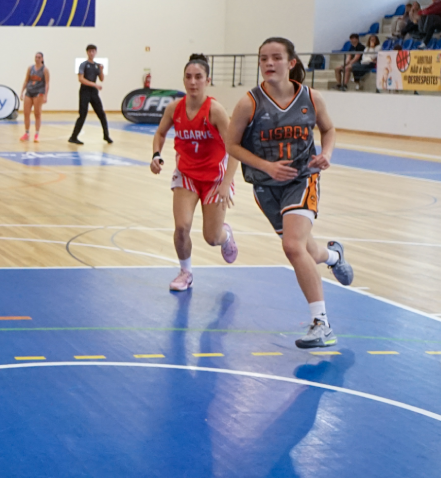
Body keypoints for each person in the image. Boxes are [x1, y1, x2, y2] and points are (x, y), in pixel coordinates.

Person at [225, 37, 354, 349]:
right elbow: (231, 145)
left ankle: (321, 323)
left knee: (292, 246)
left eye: (276, 57)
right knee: (307, 250)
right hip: (266, 187)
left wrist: (328, 153)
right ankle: (333, 255)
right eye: (264, 58)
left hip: (302, 179)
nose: (269, 63)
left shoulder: (311, 97)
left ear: (291, 62)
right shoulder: (249, 102)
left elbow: (329, 129)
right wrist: (266, 167)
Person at [150, 54, 240, 291]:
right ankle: (185, 272)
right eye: (189, 77)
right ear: (183, 80)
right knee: (181, 227)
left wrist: (227, 182)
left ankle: (226, 236)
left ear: (207, 80)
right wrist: (156, 155)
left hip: (215, 178)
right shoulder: (174, 108)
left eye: (198, 77)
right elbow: (160, 133)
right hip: (186, 175)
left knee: (211, 238)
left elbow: (234, 147)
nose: (193, 82)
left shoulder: (215, 111)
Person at [68, 44, 111, 144]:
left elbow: (102, 79)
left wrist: (101, 70)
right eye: (90, 51)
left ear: (96, 52)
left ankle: (106, 136)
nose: (92, 53)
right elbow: (81, 79)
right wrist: (94, 85)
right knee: (83, 114)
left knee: (101, 114)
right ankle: (73, 137)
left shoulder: (97, 65)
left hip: (93, 93)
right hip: (85, 91)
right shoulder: (83, 64)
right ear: (87, 52)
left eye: (93, 51)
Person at [20, 52, 49, 142]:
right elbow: (26, 80)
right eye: (36, 57)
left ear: (42, 59)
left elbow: (47, 84)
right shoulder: (30, 68)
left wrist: (45, 95)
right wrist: (22, 92)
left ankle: (36, 134)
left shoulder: (45, 70)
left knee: (37, 113)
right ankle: (27, 133)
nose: (37, 59)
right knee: (26, 113)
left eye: (39, 57)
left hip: (39, 93)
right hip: (29, 92)